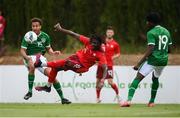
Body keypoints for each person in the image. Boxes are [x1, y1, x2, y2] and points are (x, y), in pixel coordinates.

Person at [34, 23, 108, 98]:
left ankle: (41, 64)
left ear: (99, 44)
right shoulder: (88, 41)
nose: (93, 45)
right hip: (75, 58)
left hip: (82, 66)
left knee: (67, 62)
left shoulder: (100, 54)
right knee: (56, 68)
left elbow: (105, 67)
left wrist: (102, 80)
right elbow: (73, 34)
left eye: (95, 44)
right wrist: (61, 29)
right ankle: (48, 86)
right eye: (92, 43)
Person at [121, 12, 172, 107]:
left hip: (153, 60)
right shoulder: (167, 31)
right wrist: (161, 53)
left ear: (152, 22)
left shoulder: (151, 32)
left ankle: (128, 100)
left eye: (147, 21)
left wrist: (138, 64)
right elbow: (169, 49)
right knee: (155, 78)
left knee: (138, 78)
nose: (146, 23)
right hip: (163, 61)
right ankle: (152, 102)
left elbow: (151, 49)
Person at [20, 18, 71, 104]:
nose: (35, 28)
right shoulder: (28, 35)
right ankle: (29, 92)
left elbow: (48, 49)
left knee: (52, 76)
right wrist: (27, 58)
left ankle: (62, 98)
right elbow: (22, 50)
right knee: (32, 66)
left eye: (36, 26)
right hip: (28, 57)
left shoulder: (45, 36)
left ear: (40, 26)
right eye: (33, 26)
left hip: (39, 58)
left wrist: (53, 52)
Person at [96, 26, 120, 103]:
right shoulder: (102, 43)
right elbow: (97, 51)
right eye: (108, 32)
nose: (109, 34)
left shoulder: (115, 44)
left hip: (109, 65)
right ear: (106, 33)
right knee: (98, 82)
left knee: (110, 82)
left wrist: (113, 57)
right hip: (100, 65)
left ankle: (118, 95)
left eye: (111, 32)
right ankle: (98, 98)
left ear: (113, 33)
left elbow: (118, 53)